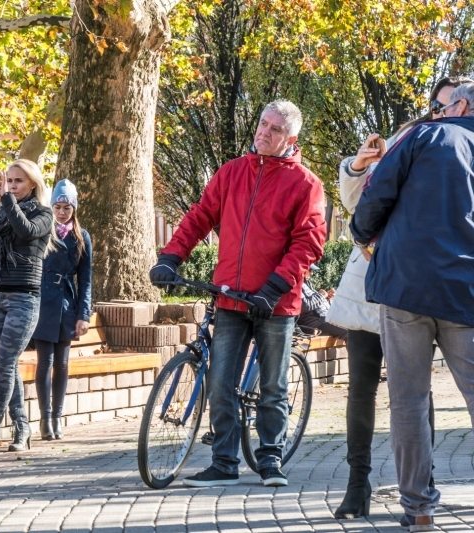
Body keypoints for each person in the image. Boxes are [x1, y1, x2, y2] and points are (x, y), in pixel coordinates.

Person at [150, 99, 326, 488]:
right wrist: (171, 257)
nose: (264, 132)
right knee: (220, 382)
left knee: (273, 386)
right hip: (230, 297)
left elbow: (309, 242)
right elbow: (199, 216)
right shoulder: (231, 172)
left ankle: (270, 459)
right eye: (262, 124)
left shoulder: (306, 184)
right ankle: (224, 462)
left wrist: (274, 288)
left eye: (275, 129)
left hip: (275, 304)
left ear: (291, 138)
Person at [330, 76, 472, 523]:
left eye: (447, 104)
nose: (441, 109)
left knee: (408, 399)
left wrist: (359, 233)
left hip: (405, 285)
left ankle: (419, 508)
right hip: (465, 291)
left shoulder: (426, 135)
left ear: (462, 105)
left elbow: (376, 194)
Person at [0, 159, 54, 453]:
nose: (13, 186)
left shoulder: (44, 214)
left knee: (4, 362)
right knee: (7, 362)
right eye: (10, 181)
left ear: (32, 184)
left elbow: (26, 231)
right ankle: (21, 427)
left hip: (23, 296)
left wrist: (6, 199)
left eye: (19, 182)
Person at [31, 180, 92, 441]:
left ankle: (57, 416)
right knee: (45, 361)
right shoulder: (44, 231)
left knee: (63, 363)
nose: (62, 212)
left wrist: (84, 314)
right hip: (44, 302)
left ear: (74, 208)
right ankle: (45, 419)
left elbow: (86, 279)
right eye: (58, 206)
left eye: (67, 207)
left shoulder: (82, 236)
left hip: (67, 303)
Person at [297, 265, 347, 341]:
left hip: (325, 321)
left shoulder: (306, 284)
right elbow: (305, 306)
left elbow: (315, 305)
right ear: (303, 269)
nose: (312, 273)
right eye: (310, 270)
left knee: (355, 325)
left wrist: (327, 298)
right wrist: (321, 296)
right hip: (315, 325)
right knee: (349, 332)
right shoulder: (297, 285)